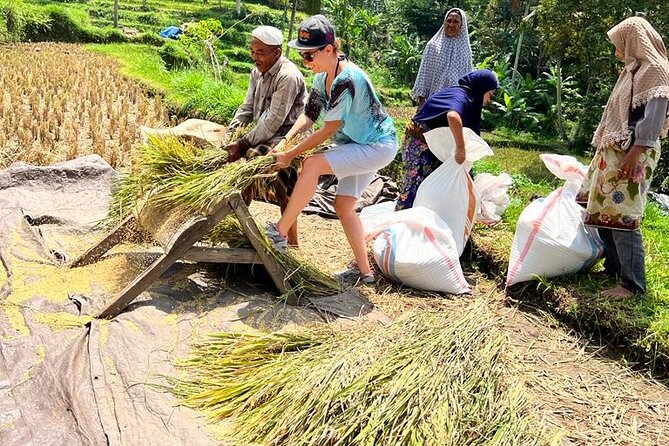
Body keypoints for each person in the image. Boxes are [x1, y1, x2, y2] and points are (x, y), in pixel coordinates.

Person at [264, 15, 397, 285]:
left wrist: (290, 156)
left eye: (309, 56)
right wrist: (284, 141)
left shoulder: (347, 79)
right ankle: (365, 273)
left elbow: (328, 128)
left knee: (311, 164)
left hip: (375, 146)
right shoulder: (321, 77)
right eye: (302, 56)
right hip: (357, 145)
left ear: (328, 49)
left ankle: (279, 231)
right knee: (343, 206)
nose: (306, 62)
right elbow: (310, 116)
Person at [577, 16, 669, 299]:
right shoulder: (633, 70)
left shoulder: (656, 71)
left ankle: (632, 284)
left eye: (619, 43)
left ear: (633, 41)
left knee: (623, 214)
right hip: (615, 149)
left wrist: (636, 152)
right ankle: (615, 268)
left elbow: (653, 119)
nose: (617, 49)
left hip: (633, 152)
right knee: (602, 209)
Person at [224, 25, 308, 245]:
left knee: (284, 192)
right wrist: (231, 133)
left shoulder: (287, 76)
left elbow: (274, 120)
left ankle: (292, 243)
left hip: (287, 137)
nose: (254, 57)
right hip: (265, 134)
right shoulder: (256, 73)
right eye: (253, 51)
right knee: (247, 167)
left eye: (260, 52)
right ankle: (241, 227)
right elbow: (247, 108)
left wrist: (242, 143)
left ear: (277, 53)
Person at [396, 69, 499, 210]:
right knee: (414, 185)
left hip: (435, 146)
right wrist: (461, 148)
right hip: (419, 142)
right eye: (489, 94)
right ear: (481, 89)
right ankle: (399, 223)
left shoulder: (470, 102)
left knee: (435, 188)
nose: (488, 100)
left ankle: (425, 225)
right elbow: (452, 116)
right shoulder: (460, 96)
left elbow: (470, 136)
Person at [411, 8, 473, 108]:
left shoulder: (465, 51)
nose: (451, 25)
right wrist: (421, 104)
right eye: (448, 21)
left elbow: (468, 81)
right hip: (434, 101)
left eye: (456, 22)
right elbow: (423, 76)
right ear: (444, 23)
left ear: (462, 26)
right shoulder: (433, 46)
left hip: (455, 104)